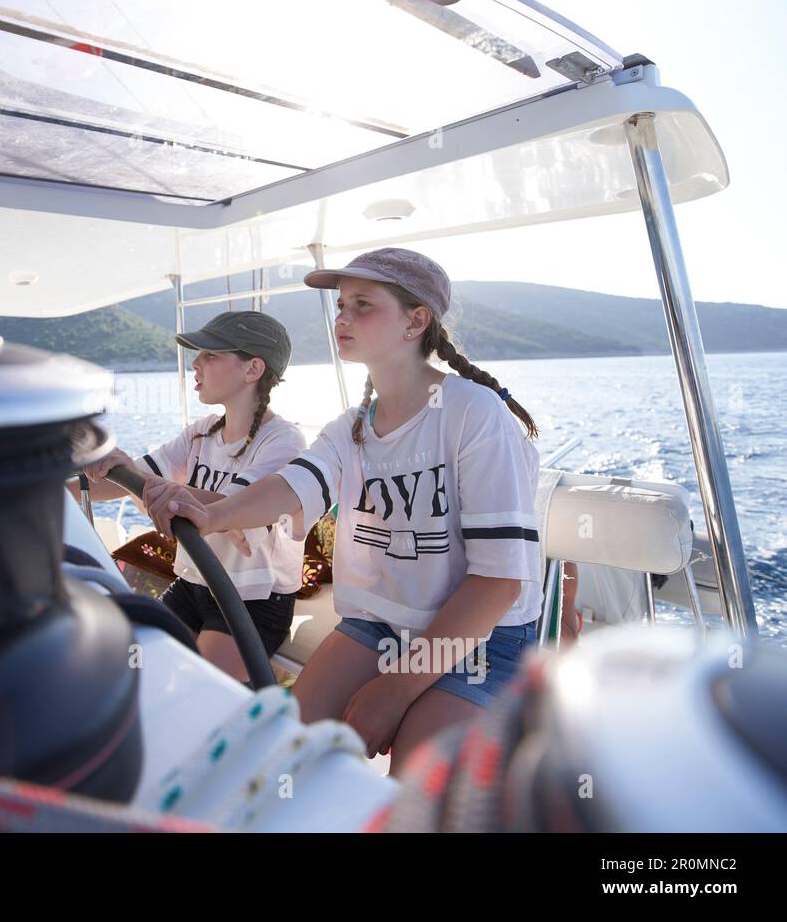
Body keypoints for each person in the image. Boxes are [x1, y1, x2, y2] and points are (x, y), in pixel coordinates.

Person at [143, 248, 543, 776]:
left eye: (362, 305)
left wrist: (397, 688)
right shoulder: (351, 427)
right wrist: (210, 515)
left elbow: (498, 583)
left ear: (416, 321)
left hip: (481, 638)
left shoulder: (473, 413)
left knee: (411, 796)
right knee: (280, 765)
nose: (342, 318)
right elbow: (287, 487)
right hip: (378, 625)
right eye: (340, 306)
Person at [71, 311, 306, 682]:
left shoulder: (284, 442)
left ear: (252, 369)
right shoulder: (201, 432)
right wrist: (40, 489)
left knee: (194, 694)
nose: (195, 363)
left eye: (210, 355)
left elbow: (231, 512)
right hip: (194, 585)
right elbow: (127, 481)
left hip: (251, 601)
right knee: (129, 674)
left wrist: (148, 482)